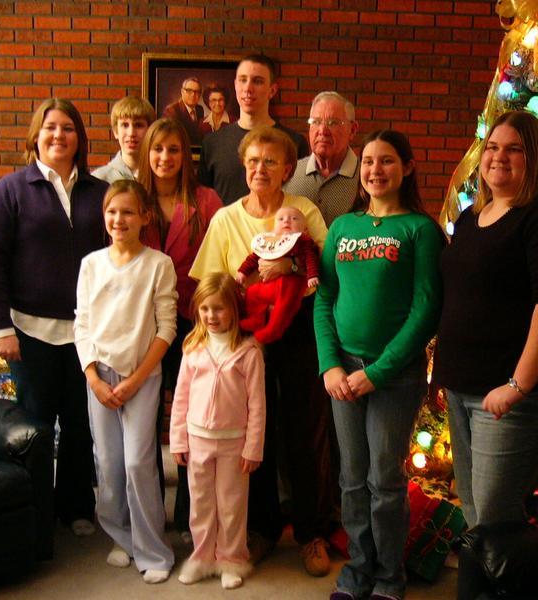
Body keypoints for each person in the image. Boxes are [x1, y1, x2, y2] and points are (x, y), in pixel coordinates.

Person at [190, 126, 333, 577]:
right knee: (253, 433)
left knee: (304, 432)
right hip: (245, 334)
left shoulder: (303, 210)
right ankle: (263, 528)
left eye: (270, 162)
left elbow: (326, 268)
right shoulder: (226, 219)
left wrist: (289, 265)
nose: (260, 169)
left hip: (297, 330)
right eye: (253, 161)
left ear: (288, 169)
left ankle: (311, 532)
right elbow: (210, 285)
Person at [433, 110, 538, 529]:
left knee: (494, 519)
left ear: (533, 158)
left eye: (514, 149)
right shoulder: (470, 217)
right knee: (474, 511)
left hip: (513, 398)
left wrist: (518, 385)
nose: (499, 157)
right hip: (464, 389)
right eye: (493, 147)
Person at [315, 130, 445, 600]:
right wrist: (330, 365)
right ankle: (358, 570)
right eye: (368, 161)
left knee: (384, 481)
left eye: (386, 161)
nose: (375, 170)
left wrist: (378, 372)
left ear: (407, 167)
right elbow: (325, 297)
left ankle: (389, 578)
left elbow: (426, 310)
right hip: (343, 369)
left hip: (395, 375)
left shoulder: (420, 230)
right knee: (351, 479)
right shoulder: (342, 228)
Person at [0, 98, 106, 538]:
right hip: (27, 333)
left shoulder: (98, 193)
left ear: (79, 139)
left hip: (86, 334)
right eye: (50, 127)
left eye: (68, 128)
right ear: (35, 136)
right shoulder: (10, 190)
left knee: (79, 425)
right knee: (33, 427)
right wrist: (0, 328)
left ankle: (76, 506)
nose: (58, 135)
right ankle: (33, 512)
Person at [74, 179, 178, 584]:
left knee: (138, 461)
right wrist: (93, 378)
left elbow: (166, 328)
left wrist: (136, 380)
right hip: (99, 377)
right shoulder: (91, 264)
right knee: (108, 462)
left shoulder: (158, 265)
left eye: (128, 212)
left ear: (144, 217)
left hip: (142, 377)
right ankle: (123, 537)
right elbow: (82, 325)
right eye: (112, 212)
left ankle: (153, 550)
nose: (119, 219)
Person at [137, 117, 223, 541]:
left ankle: (191, 513)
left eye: (173, 149)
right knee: (147, 419)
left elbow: (220, 261)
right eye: (157, 149)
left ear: (185, 156)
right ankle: (150, 513)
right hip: (143, 325)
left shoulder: (206, 200)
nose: (165, 157)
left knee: (191, 418)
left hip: (194, 322)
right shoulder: (134, 199)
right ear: (146, 153)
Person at [170, 273, 266, 590]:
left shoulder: (249, 352)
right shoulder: (193, 348)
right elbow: (181, 397)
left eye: (219, 308)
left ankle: (232, 559)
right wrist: (178, 440)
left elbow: (257, 405)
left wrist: (253, 448)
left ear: (234, 310)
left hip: (234, 444)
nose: (211, 316)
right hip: (197, 440)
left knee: (231, 504)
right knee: (200, 503)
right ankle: (201, 557)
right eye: (205, 309)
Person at [199, 54, 310, 205]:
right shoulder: (212, 143)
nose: (248, 88)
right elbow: (203, 204)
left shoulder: (294, 143)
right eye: (242, 80)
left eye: (257, 81)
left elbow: (299, 201)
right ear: (235, 85)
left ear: (272, 90)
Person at [236, 206, 320, 344]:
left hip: (291, 284)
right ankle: (257, 318)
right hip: (269, 284)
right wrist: (242, 272)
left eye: (294, 219)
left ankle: (273, 330)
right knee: (252, 292)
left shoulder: (303, 241)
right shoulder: (270, 241)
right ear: (274, 228)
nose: (286, 221)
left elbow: (311, 258)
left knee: (283, 308)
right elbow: (254, 257)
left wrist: (312, 275)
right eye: (281, 219)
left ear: (304, 229)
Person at [284, 91, 360, 226]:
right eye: (316, 122)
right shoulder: (289, 174)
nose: (323, 131)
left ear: (352, 130)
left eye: (333, 123)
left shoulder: (366, 179)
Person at [92, 95, 155, 183]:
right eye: (125, 125)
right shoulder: (99, 179)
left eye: (138, 125)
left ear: (150, 130)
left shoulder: (159, 176)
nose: (131, 133)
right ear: (116, 131)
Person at [163, 77, 204, 146]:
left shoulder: (200, 109)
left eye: (197, 92)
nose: (193, 95)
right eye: (189, 90)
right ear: (182, 92)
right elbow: (170, 138)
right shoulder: (171, 111)